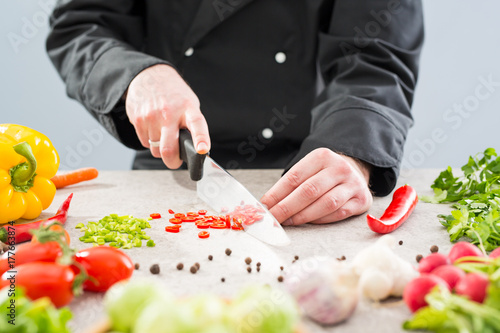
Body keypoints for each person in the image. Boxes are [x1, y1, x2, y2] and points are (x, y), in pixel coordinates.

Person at [46, 0, 424, 226]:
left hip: (306, 171)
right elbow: (81, 25)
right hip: (171, 164)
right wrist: (132, 74)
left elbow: (376, 57)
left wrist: (351, 148)